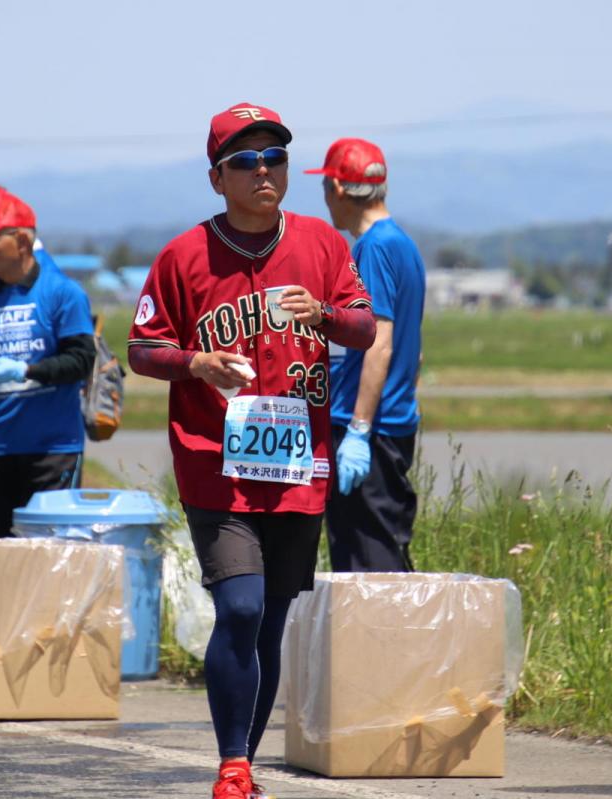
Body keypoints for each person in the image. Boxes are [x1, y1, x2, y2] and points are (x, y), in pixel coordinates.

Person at [127, 102, 375, 799]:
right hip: (216, 461)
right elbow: (142, 348)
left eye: (275, 157)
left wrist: (323, 314)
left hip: (296, 465)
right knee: (238, 607)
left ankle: (246, 762)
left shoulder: (324, 245)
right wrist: (196, 363)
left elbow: (362, 326)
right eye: (245, 160)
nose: (264, 170)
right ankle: (231, 762)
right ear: (217, 178)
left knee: (271, 619)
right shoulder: (183, 256)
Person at [0, 186, 96, 538]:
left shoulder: (62, 293)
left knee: (50, 550)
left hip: (52, 451)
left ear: (22, 241)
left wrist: (27, 371)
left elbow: (80, 361)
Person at [306, 138, 425, 572]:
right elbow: (417, 350)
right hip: (392, 422)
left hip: (369, 432)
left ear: (338, 188)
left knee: (370, 570)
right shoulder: (403, 245)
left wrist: (358, 429)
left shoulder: (373, 248)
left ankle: (380, 644)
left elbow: (380, 339)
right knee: (381, 555)